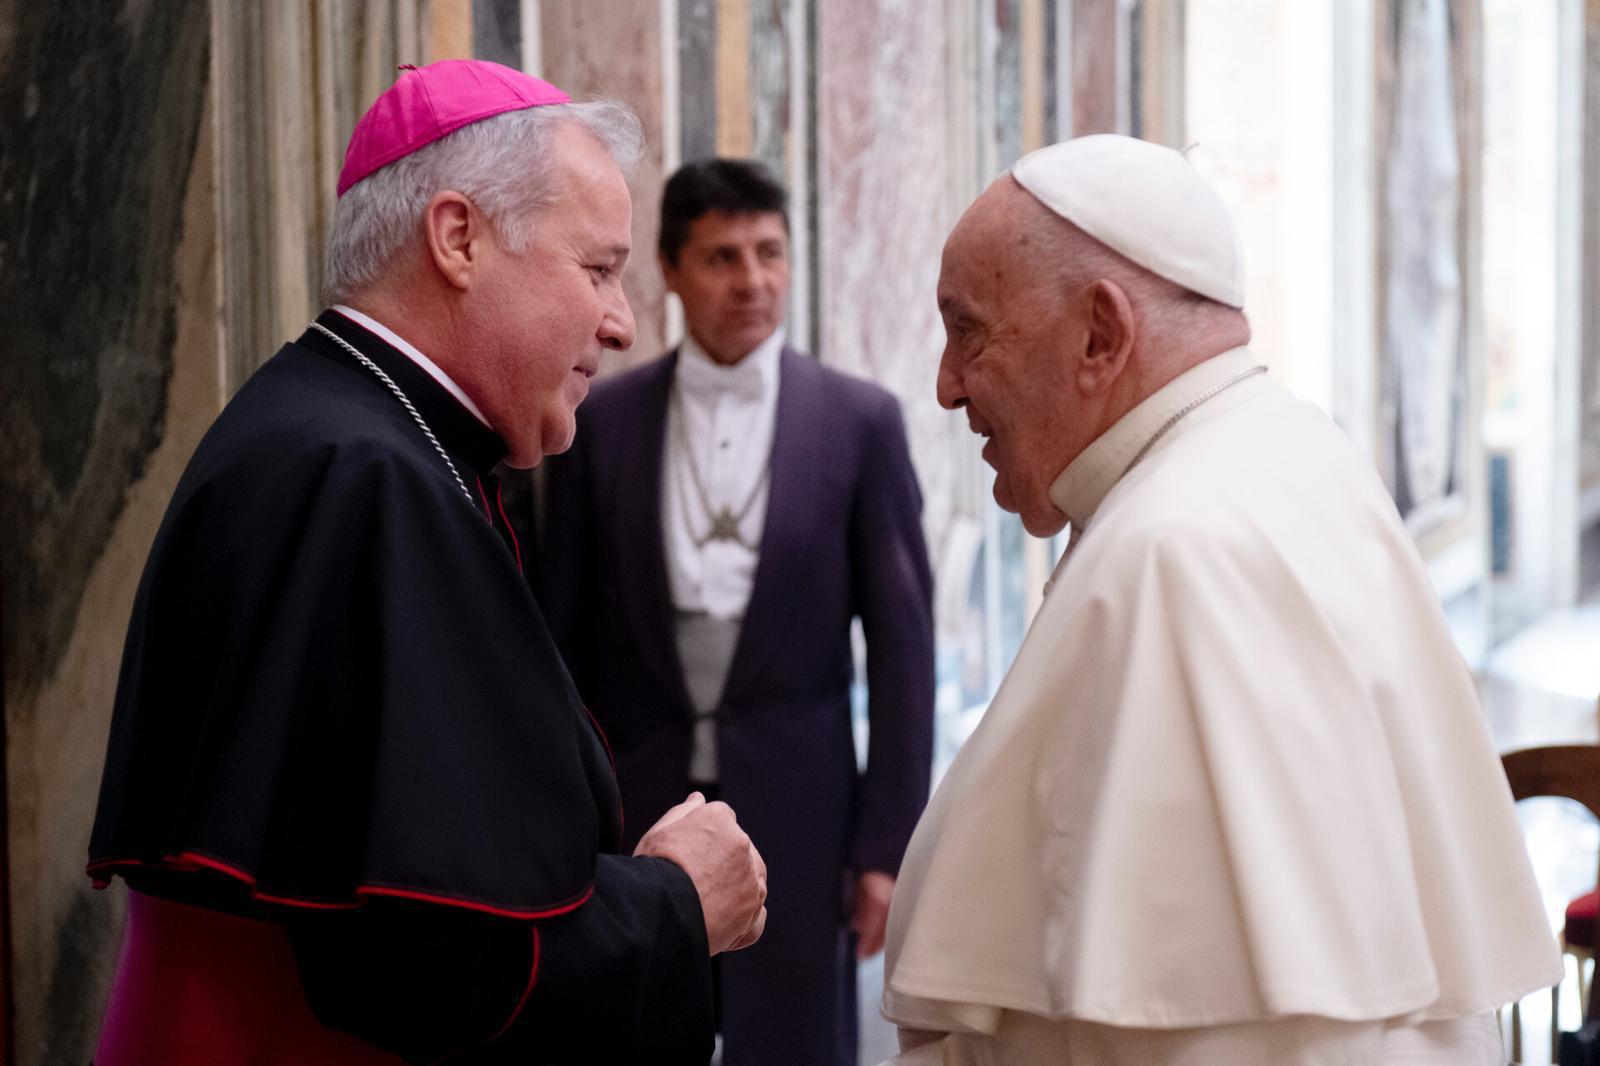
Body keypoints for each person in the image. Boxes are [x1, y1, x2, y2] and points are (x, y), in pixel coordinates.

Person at [86, 60, 767, 1065]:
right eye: (596, 269)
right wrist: (676, 901)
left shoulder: (350, 436)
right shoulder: (362, 478)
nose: (621, 322)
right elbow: (432, 965)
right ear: (458, 239)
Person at [879, 134, 1561, 1064]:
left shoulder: (1180, 551)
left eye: (969, 331)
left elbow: (1215, 1032)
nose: (947, 387)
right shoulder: (1285, 448)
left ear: (1100, 336)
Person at [540, 157, 935, 1066]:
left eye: (769, 253)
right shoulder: (602, 422)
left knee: (793, 1042)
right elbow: (560, 636)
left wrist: (887, 849)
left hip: (802, 809)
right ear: (669, 272)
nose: (752, 281)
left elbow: (903, 652)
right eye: (722, 257)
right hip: (636, 808)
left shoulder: (859, 422)